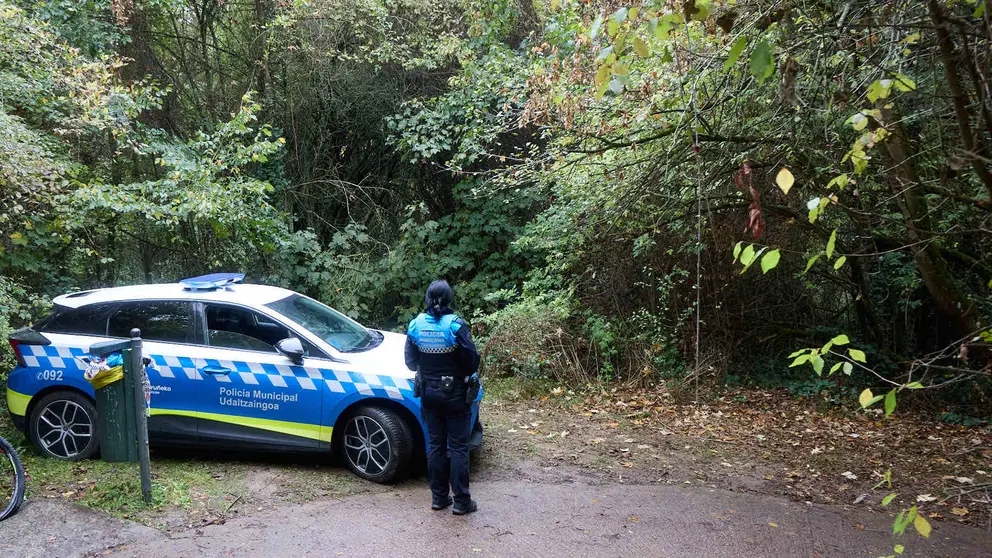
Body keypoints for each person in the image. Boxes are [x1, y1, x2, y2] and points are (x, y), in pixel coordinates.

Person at [405, 280, 480, 515]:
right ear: (449, 299)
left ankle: (438, 498)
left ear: (427, 298)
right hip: (456, 394)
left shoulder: (415, 325)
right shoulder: (456, 326)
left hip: (429, 394)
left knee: (435, 445)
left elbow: (409, 362)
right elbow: (472, 361)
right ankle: (461, 502)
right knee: (458, 447)